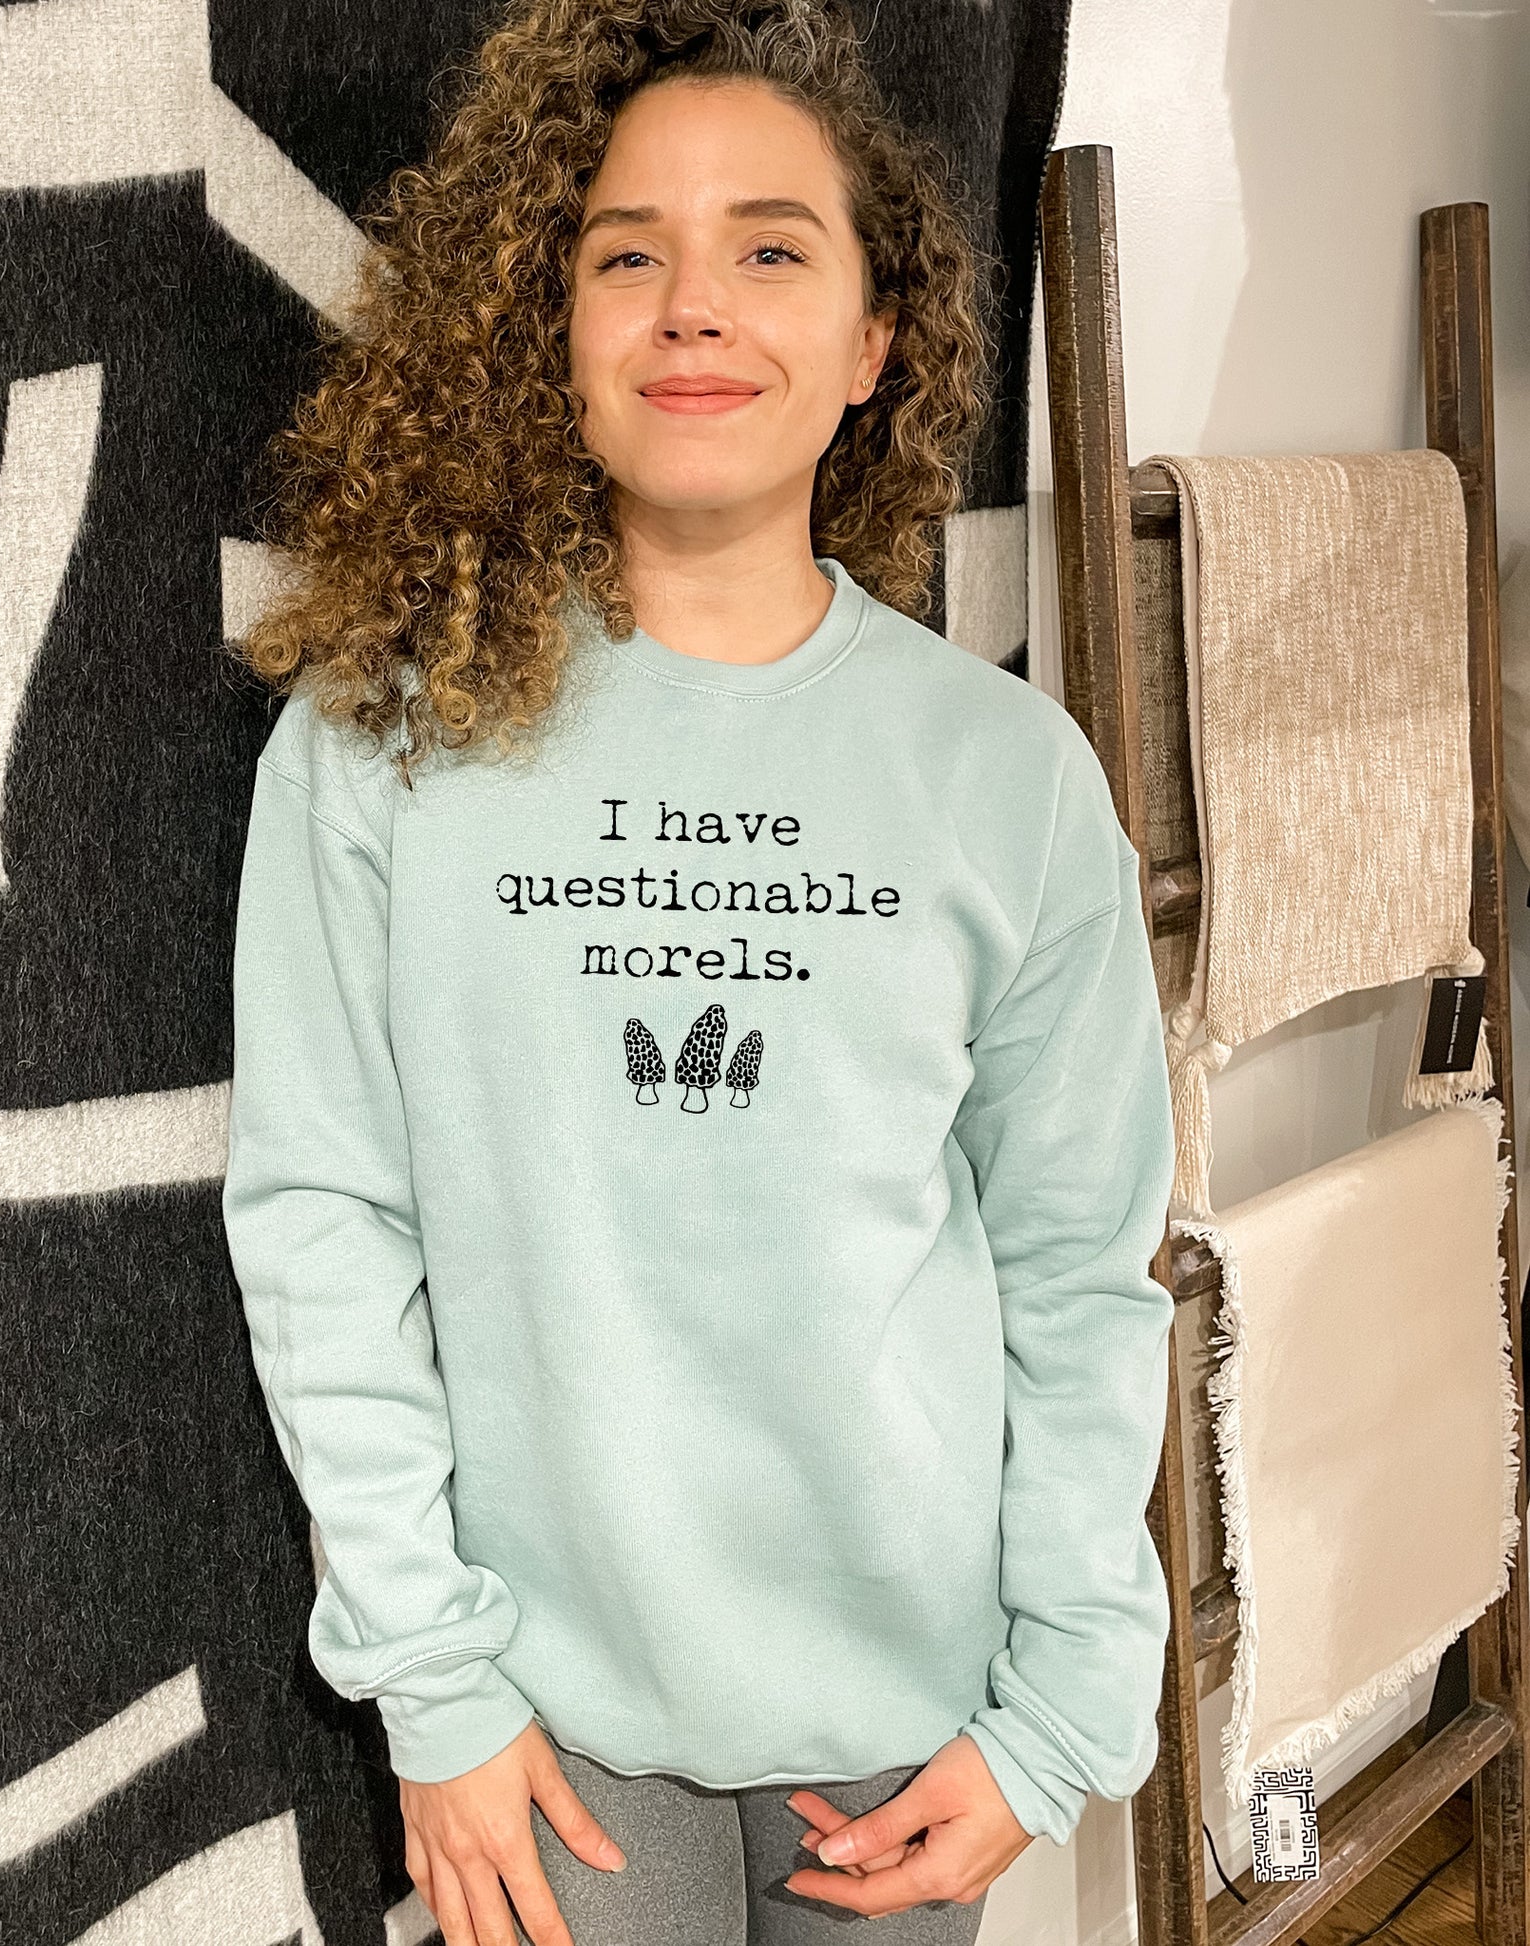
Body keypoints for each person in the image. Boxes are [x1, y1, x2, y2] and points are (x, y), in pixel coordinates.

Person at [222, 1, 1178, 1941]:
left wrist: (1064, 1703)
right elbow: (323, 1210)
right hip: (551, 1724)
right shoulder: (378, 739)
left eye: (768, 247)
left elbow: (1082, 1267)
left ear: (871, 344)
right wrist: (430, 1668)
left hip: (916, 1715)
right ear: (549, 328)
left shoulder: (1007, 779)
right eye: (624, 252)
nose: (691, 305)